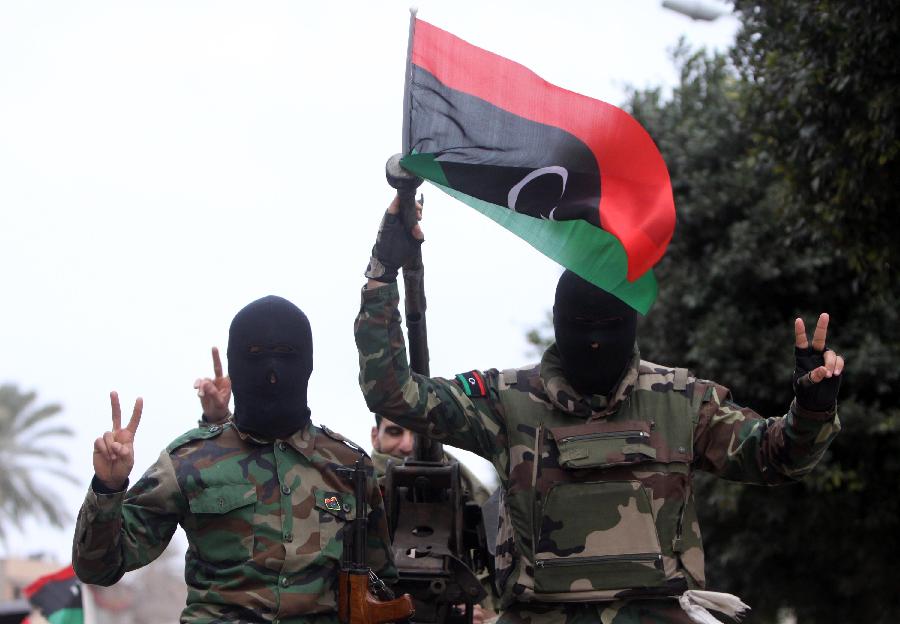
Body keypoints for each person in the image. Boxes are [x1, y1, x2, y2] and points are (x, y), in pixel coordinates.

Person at [353, 194, 844, 624]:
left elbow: (774, 456)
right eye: (580, 325)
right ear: (557, 323)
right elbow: (393, 393)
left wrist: (812, 408)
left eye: (609, 326)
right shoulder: (506, 400)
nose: (594, 341)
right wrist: (383, 271)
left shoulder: (680, 400)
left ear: (630, 326)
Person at [73, 295, 396, 623]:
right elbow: (98, 566)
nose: (272, 372)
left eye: (286, 355)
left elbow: (384, 587)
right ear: (236, 364)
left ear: (308, 364)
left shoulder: (349, 466)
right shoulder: (189, 460)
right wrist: (108, 487)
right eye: (254, 355)